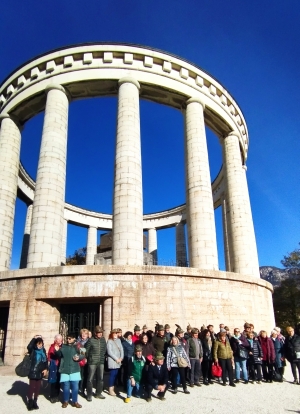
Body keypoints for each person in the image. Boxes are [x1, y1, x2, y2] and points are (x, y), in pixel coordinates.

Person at [55, 331, 84, 408]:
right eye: (67, 338)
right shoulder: (63, 346)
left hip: (75, 369)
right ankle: (65, 401)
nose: (68, 340)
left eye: (70, 338)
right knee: (66, 386)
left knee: (75, 386)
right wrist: (57, 351)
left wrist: (79, 358)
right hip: (65, 369)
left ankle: (75, 401)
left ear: (74, 339)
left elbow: (84, 354)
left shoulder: (79, 345)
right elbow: (59, 356)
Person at [85, 325, 107, 401]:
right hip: (92, 362)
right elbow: (86, 350)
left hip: (101, 361)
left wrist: (103, 357)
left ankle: (98, 393)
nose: (100, 334)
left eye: (101, 332)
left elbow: (104, 349)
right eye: (99, 333)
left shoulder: (103, 340)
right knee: (90, 379)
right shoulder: (91, 340)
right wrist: (88, 358)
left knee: (100, 378)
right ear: (95, 333)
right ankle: (89, 395)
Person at [27, 336, 48, 411]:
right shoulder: (33, 350)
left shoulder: (43, 351)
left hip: (40, 371)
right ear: (36, 344)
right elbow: (29, 346)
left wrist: (46, 369)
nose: (40, 345)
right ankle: (30, 401)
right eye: (38, 344)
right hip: (33, 371)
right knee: (32, 387)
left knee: (38, 387)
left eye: (41, 344)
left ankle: (35, 401)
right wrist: (34, 338)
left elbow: (46, 360)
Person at [107, 328, 124, 396]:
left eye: (116, 333)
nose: (115, 334)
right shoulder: (109, 341)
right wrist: (116, 358)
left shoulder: (119, 340)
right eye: (114, 333)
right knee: (112, 375)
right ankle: (110, 389)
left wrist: (121, 357)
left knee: (116, 374)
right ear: (112, 334)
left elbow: (121, 349)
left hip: (119, 360)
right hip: (113, 360)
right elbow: (109, 352)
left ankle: (114, 387)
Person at [48, 334, 63, 403]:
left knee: (59, 381)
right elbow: (51, 354)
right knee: (53, 380)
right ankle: (52, 396)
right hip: (54, 365)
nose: (60, 340)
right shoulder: (52, 346)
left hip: (60, 365)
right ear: (55, 340)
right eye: (58, 339)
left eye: (61, 339)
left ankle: (57, 395)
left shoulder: (63, 346)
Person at [77, 328, 89, 396]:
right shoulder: (78, 342)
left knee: (86, 375)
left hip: (87, 361)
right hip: (79, 360)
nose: (84, 335)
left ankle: (84, 388)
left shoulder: (89, 341)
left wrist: (86, 357)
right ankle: (80, 388)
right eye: (82, 333)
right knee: (80, 374)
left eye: (85, 334)